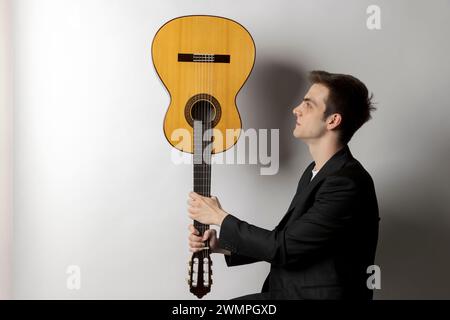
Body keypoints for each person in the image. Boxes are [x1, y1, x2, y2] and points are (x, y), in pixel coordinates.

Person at [187, 70, 380, 299]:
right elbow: (289, 239)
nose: (295, 109)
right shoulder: (316, 171)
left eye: (308, 104)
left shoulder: (346, 183)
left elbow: (283, 248)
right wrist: (222, 246)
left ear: (333, 120)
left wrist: (219, 217)